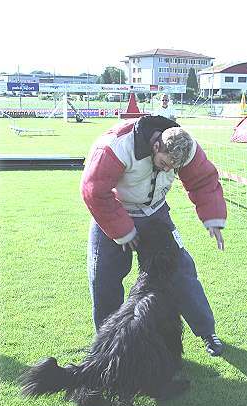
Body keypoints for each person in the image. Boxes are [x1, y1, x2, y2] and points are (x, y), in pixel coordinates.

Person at [80, 115, 227, 357]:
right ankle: (110, 346)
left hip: (155, 212)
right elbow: (94, 190)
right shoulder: (115, 146)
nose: (169, 169)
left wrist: (213, 217)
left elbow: (203, 181)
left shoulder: (186, 147)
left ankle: (206, 331)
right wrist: (123, 231)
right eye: (164, 163)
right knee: (103, 278)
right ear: (156, 144)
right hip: (113, 210)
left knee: (181, 270)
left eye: (173, 167)